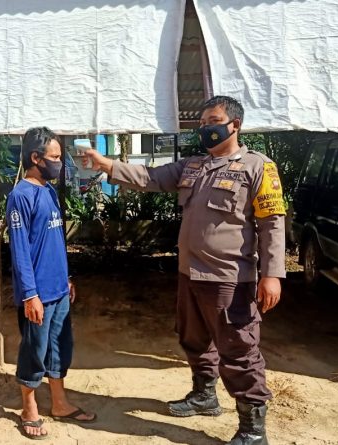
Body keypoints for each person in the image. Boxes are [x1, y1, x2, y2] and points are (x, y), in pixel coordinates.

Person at [82, 96, 285, 445]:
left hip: (229, 280)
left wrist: (272, 275)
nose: (206, 128)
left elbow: (272, 223)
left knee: (239, 351)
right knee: (194, 339)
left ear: (235, 124)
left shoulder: (257, 167)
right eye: (202, 123)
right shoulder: (193, 166)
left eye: (213, 121)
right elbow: (149, 177)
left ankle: (253, 431)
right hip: (189, 274)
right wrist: (107, 165)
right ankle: (204, 397)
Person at [7, 127, 96, 440]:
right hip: (38, 294)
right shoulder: (20, 196)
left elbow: (55, 241)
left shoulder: (48, 191)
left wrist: (66, 278)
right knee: (35, 349)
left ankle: (59, 403)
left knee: (59, 348)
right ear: (36, 158)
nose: (60, 163)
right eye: (55, 157)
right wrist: (30, 294)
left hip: (58, 290)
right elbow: (20, 251)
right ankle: (29, 408)